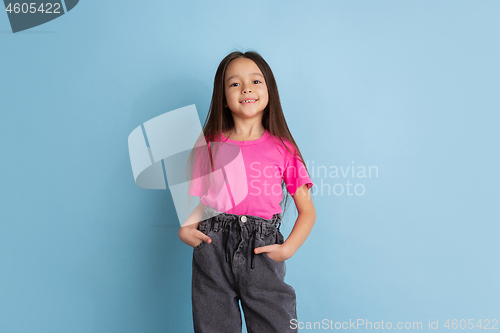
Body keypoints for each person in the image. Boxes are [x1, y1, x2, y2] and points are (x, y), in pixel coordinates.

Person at [178, 50, 316, 333]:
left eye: (255, 81)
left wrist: (286, 249)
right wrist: (186, 227)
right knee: (213, 326)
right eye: (234, 84)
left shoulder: (283, 148)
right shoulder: (211, 145)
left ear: (269, 91)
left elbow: (308, 211)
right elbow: (208, 203)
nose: (246, 89)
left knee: (275, 325)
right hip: (212, 249)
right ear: (224, 99)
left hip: (261, 249)